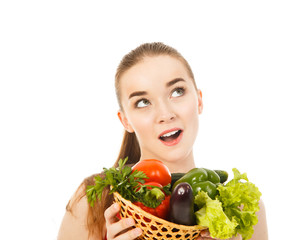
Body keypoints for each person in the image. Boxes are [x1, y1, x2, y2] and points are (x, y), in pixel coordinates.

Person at [57, 42, 268, 240]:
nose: (165, 114)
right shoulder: (93, 202)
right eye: (142, 102)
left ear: (199, 100)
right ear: (126, 121)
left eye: (177, 92)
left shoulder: (242, 209)